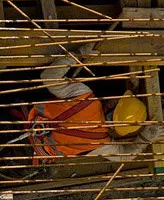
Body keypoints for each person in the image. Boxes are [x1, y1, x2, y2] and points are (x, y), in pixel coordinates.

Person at [27, 56, 162, 164]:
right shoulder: (100, 144)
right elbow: (125, 156)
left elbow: (48, 76)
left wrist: (78, 55)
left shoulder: (85, 97)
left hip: (23, 120)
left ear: (114, 103)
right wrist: (145, 138)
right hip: (37, 152)